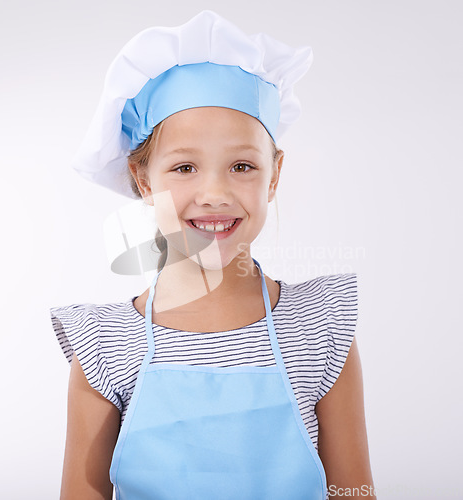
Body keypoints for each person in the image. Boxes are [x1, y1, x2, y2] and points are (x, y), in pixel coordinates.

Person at [50, 10, 376, 500]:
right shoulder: (103, 345)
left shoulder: (321, 326)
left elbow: (353, 492)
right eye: (184, 167)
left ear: (274, 175)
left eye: (242, 165)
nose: (214, 193)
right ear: (143, 180)